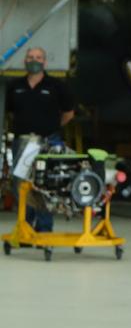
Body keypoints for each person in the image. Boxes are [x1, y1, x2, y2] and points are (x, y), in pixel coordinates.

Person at [7, 46, 74, 233]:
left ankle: (44, 228)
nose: (33, 60)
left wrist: (51, 127)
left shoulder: (56, 86)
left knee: (45, 185)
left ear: (44, 62)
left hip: (48, 142)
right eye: (30, 57)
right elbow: (11, 112)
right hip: (22, 142)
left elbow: (69, 113)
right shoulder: (15, 86)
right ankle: (25, 226)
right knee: (21, 184)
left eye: (38, 57)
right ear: (25, 61)